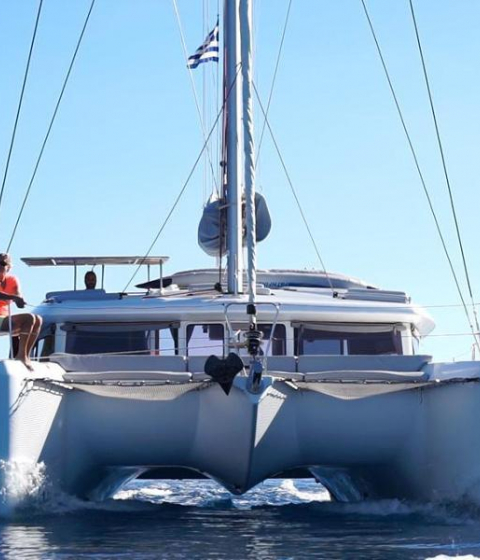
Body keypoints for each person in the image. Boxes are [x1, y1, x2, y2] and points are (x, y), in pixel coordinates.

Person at [0, 253, 42, 369]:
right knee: (29, 318)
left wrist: (19, 299)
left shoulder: (12, 280)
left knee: (38, 319)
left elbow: (18, 296)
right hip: (1, 320)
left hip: (4, 319)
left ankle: (25, 356)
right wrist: (12, 297)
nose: (0, 266)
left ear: (9, 267)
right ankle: (21, 356)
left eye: (3, 263)